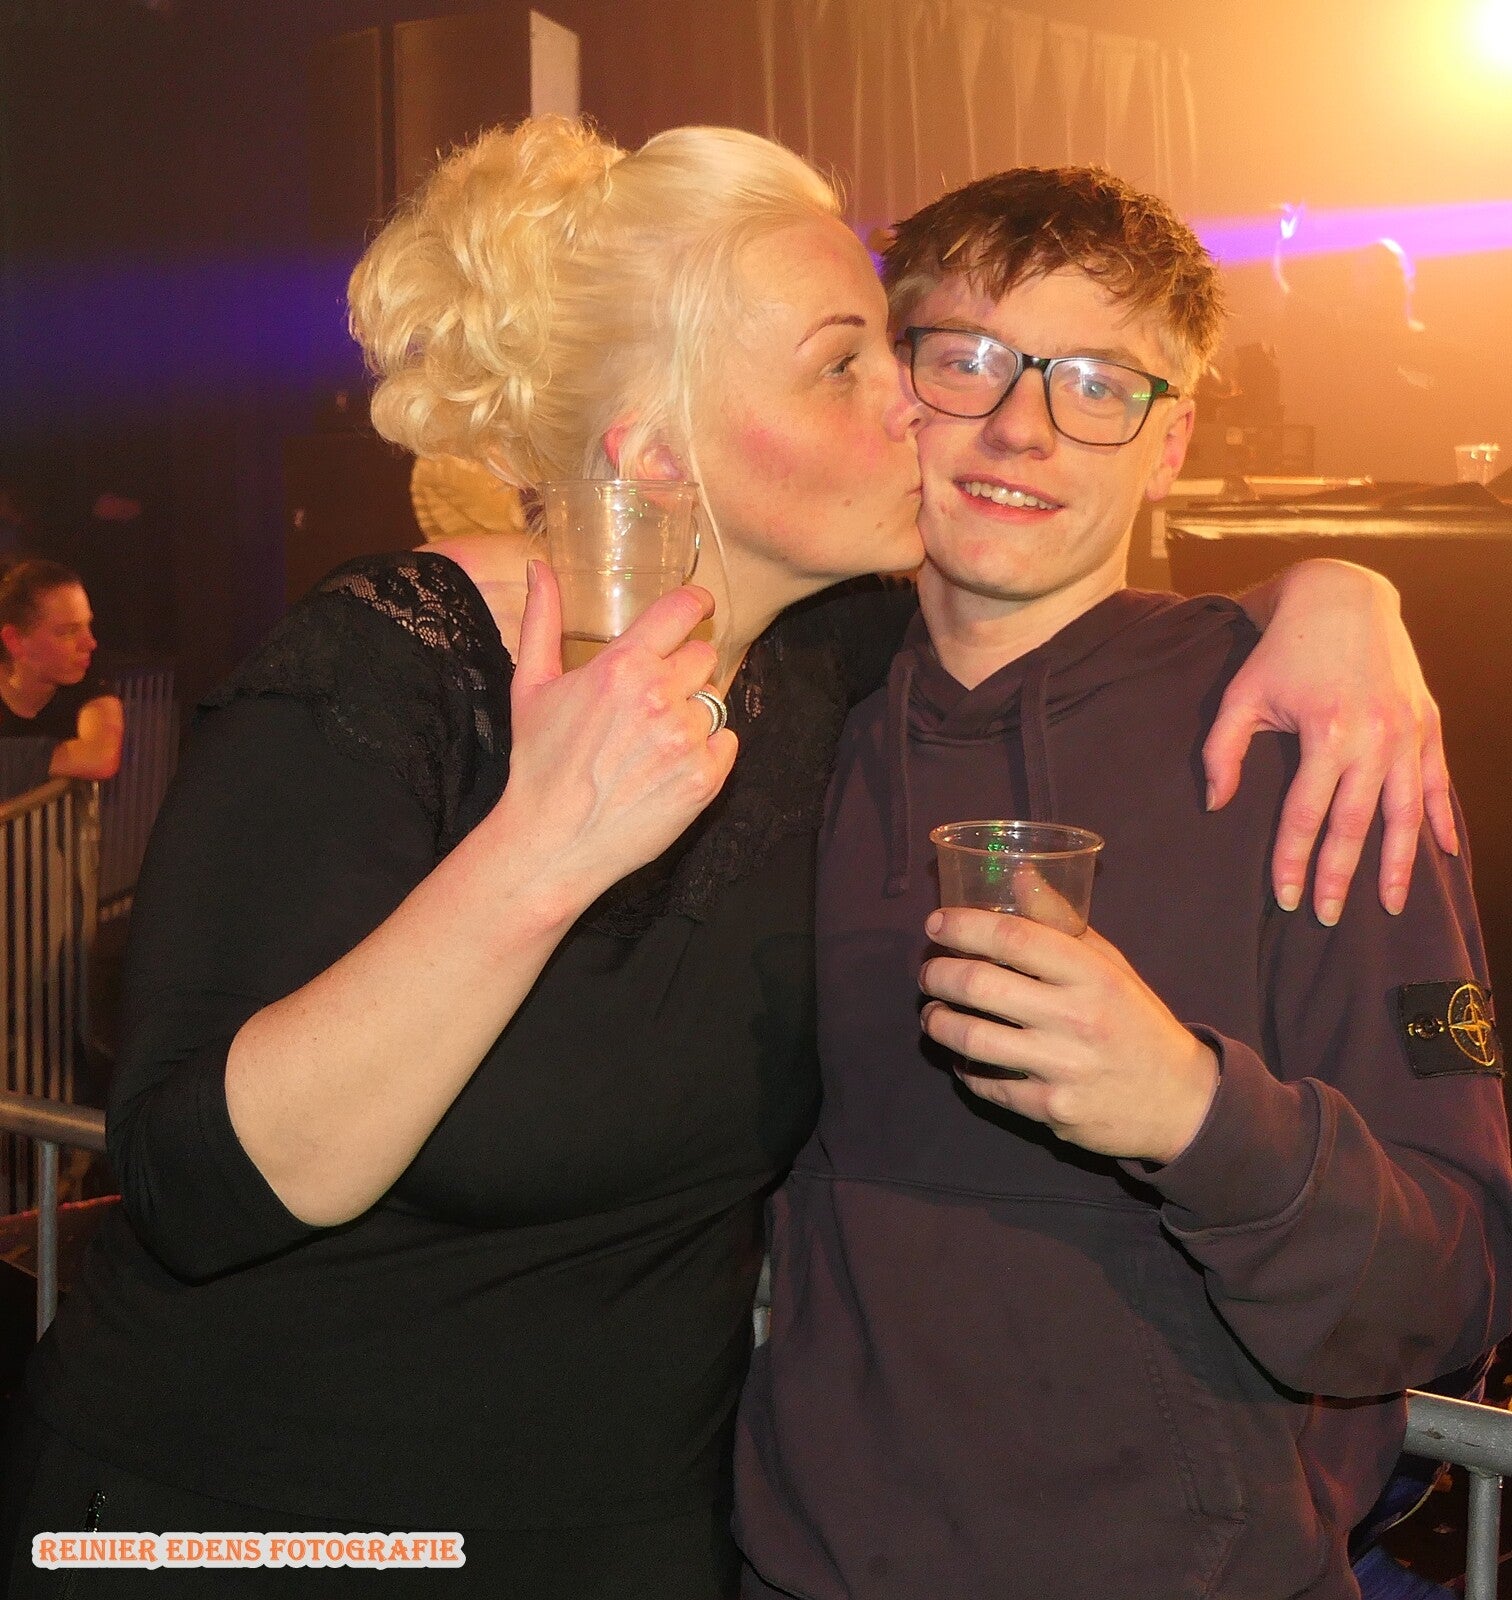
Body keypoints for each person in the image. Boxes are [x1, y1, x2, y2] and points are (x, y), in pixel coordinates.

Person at [0, 120, 1457, 1600]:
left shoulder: (860, 684)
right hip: (254, 1523)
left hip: (632, 1545)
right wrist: (539, 851)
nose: (935, 412)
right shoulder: (413, 667)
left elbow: (1059, 620)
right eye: (872, 364)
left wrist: (1343, 592)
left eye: (1086, 383)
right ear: (654, 451)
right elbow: (190, 1186)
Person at [733, 166, 1512, 1600]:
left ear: (1172, 441)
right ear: (890, 384)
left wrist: (1194, 1115)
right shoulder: (781, 719)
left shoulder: (1315, 746)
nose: (1022, 426)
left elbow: (1452, 1285)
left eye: (1099, 383)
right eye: (967, 359)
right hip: (810, 1570)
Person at [0, 558, 123, 781]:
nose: (90, 643)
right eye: (68, 631)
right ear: (15, 641)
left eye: (88, 625)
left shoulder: (89, 671)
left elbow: (101, 757)